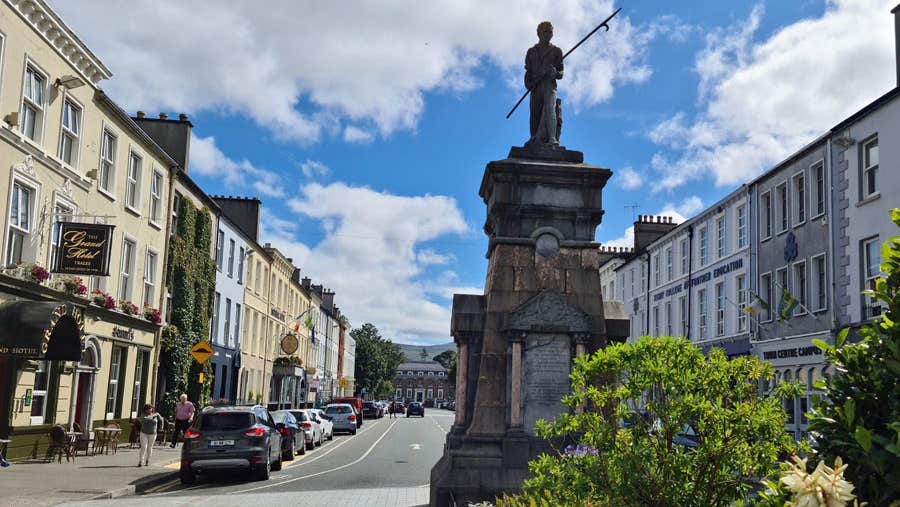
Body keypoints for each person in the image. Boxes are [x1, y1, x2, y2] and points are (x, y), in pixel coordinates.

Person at [524, 21, 564, 146]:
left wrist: (555, 73)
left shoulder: (556, 51)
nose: (549, 34)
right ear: (539, 33)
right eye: (546, 32)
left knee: (550, 109)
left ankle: (552, 138)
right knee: (534, 112)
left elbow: (561, 72)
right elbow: (528, 72)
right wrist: (529, 84)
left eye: (550, 32)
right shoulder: (531, 52)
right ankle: (534, 137)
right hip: (536, 87)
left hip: (549, 85)